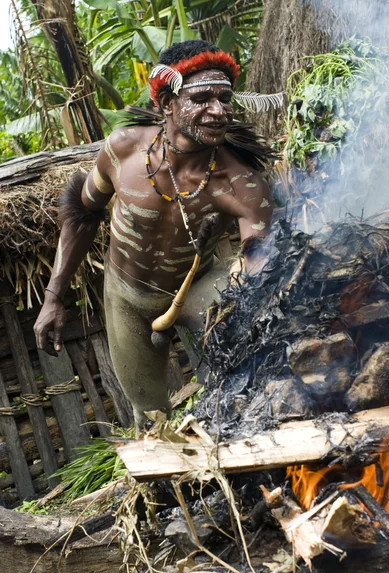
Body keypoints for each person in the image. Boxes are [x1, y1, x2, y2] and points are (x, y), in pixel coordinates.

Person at [34, 40, 274, 435]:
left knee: (240, 377)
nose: (218, 111)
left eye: (225, 98)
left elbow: (258, 262)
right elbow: (82, 215)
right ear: (167, 104)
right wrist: (54, 297)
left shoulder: (241, 182)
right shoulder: (123, 151)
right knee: (151, 421)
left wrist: (248, 300)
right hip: (127, 298)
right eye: (202, 99)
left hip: (199, 287)